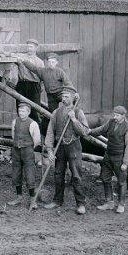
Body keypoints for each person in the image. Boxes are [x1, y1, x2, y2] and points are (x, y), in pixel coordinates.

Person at [43, 86, 90, 214]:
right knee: (58, 174)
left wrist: (74, 119)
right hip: (60, 147)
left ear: (73, 98)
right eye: (63, 97)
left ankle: (80, 204)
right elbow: (50, 133)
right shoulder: (56, 113)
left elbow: (85, 132)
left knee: (76, 175)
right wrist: (50, 151)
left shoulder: (78, 112)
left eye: (67, 97)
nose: (64, 99)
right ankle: (57, 201)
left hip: (74, 146)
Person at [88, 105, 128, 214]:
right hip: (108, 156)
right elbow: (100, 130)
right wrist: (89, 131)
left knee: (121, 182)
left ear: (123, 116)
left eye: (117, 115)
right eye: (114, 114)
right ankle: (109, 202)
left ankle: (121, 204)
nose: (115, 117)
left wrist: (125, 162)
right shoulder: (111, 122)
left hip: (120, 158)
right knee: (105, 178)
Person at [8, 102, 41, 210]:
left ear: (28, 112)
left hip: (27, 151)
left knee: (29, 174)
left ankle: (33, 200)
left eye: (23, 111)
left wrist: (28, 147)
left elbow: (37, 141)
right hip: (16, 151)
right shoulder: (14, 122)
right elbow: (13, 136)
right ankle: (19, 197)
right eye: (19, 111)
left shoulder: (33, 124)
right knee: (16, 173)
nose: (21, 113)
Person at [12, 39, 44, 124]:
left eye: (31, 47)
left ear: (36, 48)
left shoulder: (40, 62)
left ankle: (36, 133)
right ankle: (22, 130)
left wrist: (41, 87)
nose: (29, 48)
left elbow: (42, 77)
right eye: (28, 46)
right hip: (22, 84)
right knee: (21, 108)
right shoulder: (21, 56)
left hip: (34, 86)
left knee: (35, 110)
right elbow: (11, 55)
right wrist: (15, 58)